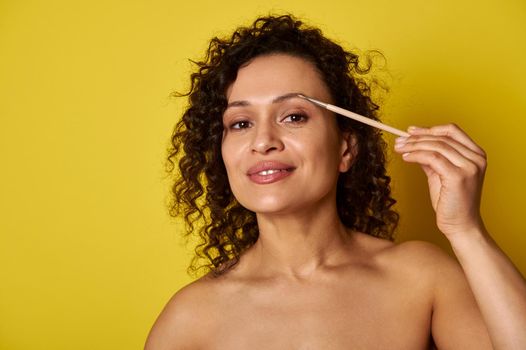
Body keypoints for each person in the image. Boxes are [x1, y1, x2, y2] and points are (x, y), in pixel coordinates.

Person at [145, 14, 526, 349]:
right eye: (241, 123)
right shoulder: (191, 318)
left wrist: (465, 230)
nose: (263, 142)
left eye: (294, 116)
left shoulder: (421, 278)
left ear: (346, 148)